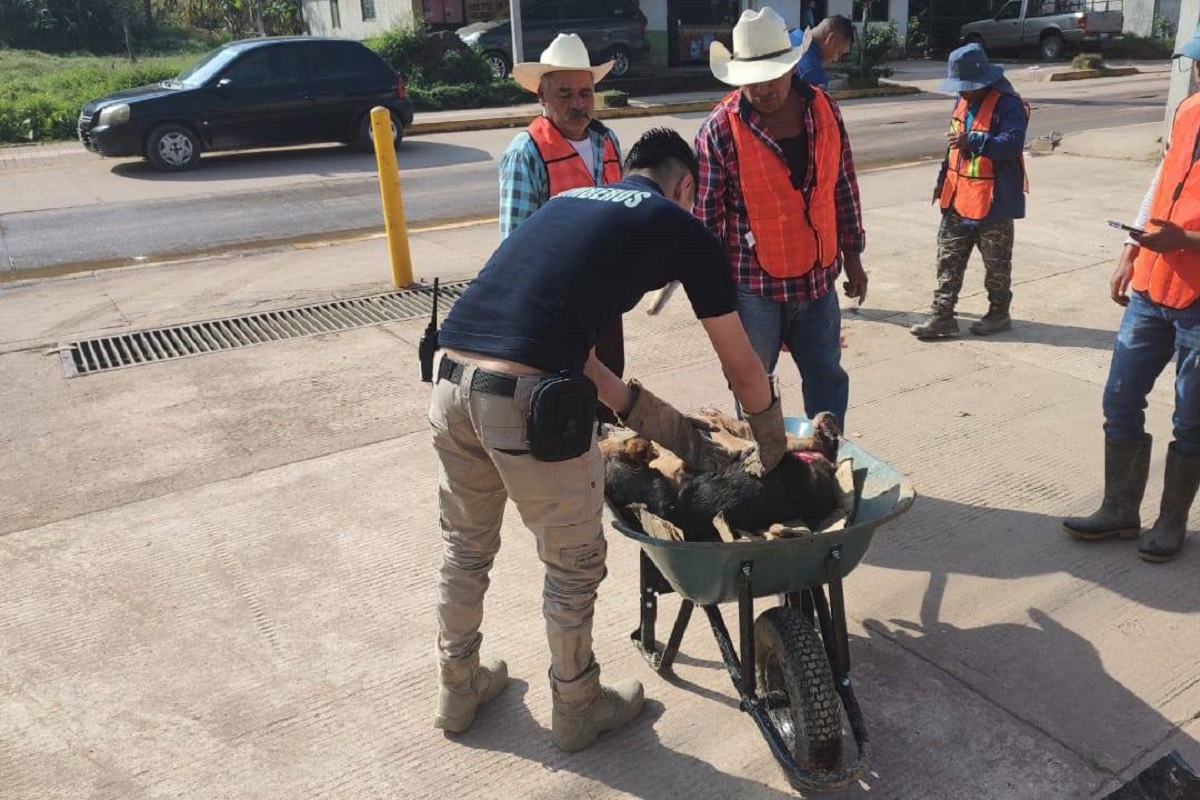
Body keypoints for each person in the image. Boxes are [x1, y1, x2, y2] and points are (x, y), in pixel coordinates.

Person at [430, 128, 790, 752]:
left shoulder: (570, 204)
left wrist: (674, 432)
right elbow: (743, 367)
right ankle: (578, 704)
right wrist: (775, 451)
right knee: (572, 566)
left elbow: (591, 369)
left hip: (451, 380)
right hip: (526, 398)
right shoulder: (681, 228)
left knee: (466, 547)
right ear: (686, 186)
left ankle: (457, 689)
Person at [1062, 28, 1200, 563]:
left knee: (1191, 418)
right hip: (1154, 281)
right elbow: (1163, 178)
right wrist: (1131, 247)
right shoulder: (1189, 110)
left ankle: (1171, 522)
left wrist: (1184, 240)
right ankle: (1120, 510)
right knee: (1120, 397)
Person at [695, 6, 868, 430]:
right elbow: (705, 224)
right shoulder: (720, 130)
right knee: (752, 383)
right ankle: (763, 467)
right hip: (755, 288)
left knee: (827, 374)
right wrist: (717, 299)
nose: (764, 87)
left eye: (773, 74)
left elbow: (842, 186)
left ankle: (828, 458)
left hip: (818, 279)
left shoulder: (824, 110)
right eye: (752, 79)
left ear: (791, 67)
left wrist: (855, 256)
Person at [499, 33, 627, 379]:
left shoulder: (607, 141)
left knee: (608, 394)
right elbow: (515, 247)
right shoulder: (526, 152)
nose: (578, 104)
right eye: (565, 94)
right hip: (557, 308)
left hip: (605, 303)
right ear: (541, 95)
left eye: (585, 93)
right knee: (566, 403)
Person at [911, 43, 1029, 340]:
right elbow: (952, 145)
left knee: (996, 265)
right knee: (948, 257)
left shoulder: (1008, 104)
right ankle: (942, 316)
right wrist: (942, 179)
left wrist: (975, 141)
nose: (962, 93)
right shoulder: (962, 101)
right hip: (957, 196)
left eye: (967, 87)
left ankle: (999, 314)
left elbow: (1013, 145)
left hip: (993, 201)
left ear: (983, 81)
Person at [788, 14, 854, 91]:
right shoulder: (813, 73)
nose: (836, 59)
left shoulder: (791, 35)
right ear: (830, 39)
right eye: (838, 52)